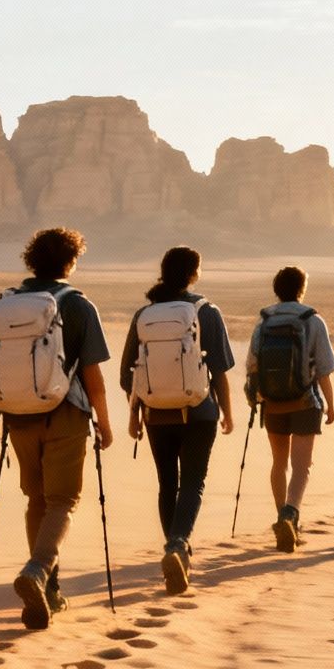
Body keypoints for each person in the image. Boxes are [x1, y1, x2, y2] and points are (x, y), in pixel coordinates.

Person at [0, 227, 115, 629]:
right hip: (65, 413)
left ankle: (49, 592)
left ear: (31, 260)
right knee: (63, 500)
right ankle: (37, 571)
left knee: (36, 498)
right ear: (71, 262)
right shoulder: (78, 305)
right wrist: (104, 424)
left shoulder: (6, 304)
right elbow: (93, 376)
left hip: (17, 417)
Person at [120, 246, 235, 594]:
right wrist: (227, 411)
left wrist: (136, 412)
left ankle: (174, 546)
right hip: (199, 411)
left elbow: (129, 375)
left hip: (156, 414)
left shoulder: (145, 314)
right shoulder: (205, 311)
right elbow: (219, 369)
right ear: (194, 273)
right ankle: (178, 544)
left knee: (167, 482)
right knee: (193, 482)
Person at [245, 266, 334, 553]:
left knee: (279, 463)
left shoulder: (264, 322)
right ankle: (290, 515)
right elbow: (324, 370)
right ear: (302, 289)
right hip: (305, 402)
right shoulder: (313, 320)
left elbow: (252, 365)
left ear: (277, 289)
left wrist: (254, 399)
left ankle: (280, 516)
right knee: (302, 466)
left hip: (273, 404)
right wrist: (331, 405)